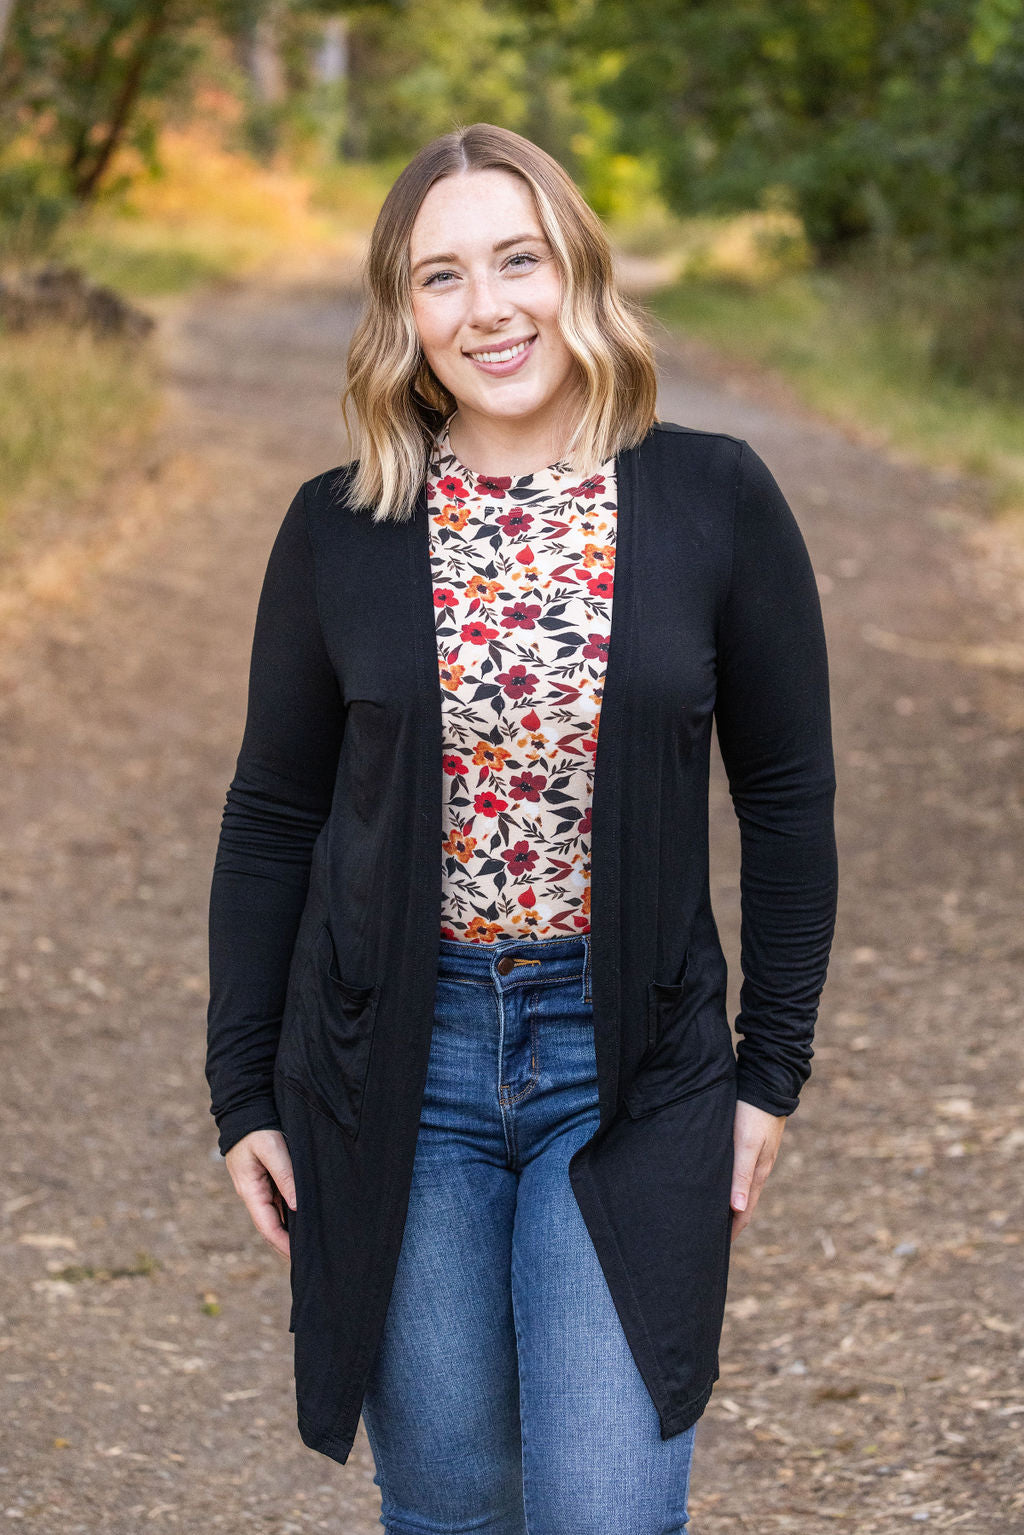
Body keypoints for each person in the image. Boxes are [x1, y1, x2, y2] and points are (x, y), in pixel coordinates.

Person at [205, 122, 838, 1534]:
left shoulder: (712, 498)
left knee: (608, 1510)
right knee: (453, 1510)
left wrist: (769, 1077)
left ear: (579, 274)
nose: (487, 308)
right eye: (442, 277)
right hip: (395, 1065)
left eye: (518, 260)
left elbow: (788, 800)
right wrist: (242, 1091)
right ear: (403, 315)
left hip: (635, 1059)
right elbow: (271, 816)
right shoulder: (344, 526)